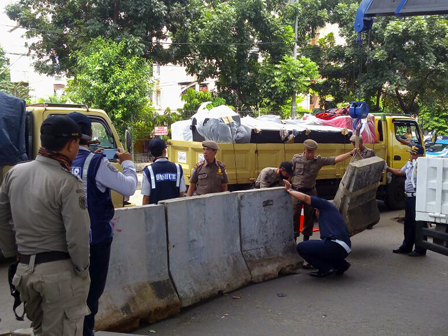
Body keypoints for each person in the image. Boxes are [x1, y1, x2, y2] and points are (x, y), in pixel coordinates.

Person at [0, 115, 91, 336]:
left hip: (25, 273)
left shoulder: (15, 173)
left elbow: (3, 217)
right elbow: (77, 235)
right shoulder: (67, 182)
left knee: (39, 331)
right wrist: (82, 270)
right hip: (58, 276)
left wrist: (15, 253)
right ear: (71, 144)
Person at [67, 112, 138, 336]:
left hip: (64, 241)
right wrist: (127, 163)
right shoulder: (96, 162)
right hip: (95, 241)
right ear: (88, 136)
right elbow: (128, 188)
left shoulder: (59, 162)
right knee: (90, 297)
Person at [291, 139, 356, 241]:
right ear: (305, 150)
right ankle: (293, 240)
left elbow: (335, 159)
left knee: (309, 217)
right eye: (308, 152)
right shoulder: (296, 158)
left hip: (310, 192)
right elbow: (291, 173)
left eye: (312, 152)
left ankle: (306, 240)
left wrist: (350, 153)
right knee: (294, 216)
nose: (310, 155)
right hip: (297, 191)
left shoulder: (319, 161)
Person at [284, 180, 351, 277]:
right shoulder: (332, 214)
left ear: (316, 209)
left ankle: (325, 268)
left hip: (335, 245)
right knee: (321, 248)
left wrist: (289, 190)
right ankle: (341, 264)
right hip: (345, 248)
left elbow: (305, 198)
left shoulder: (324, 206)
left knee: (301, 247)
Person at [386, 144, 427, 257]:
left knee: (418, 223)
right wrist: (387, 168)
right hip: (409, 197)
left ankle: (420, 248)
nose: (411, 155)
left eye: (414, 154)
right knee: (408, 223)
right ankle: (406, 246)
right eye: (411, 153)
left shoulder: (423, 165)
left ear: (420, 155)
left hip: (418, 197)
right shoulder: (409, 163)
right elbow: (400, 172)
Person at [142, 138, 186, 204]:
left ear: (151, 153)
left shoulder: (148, 170)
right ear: (164, 151)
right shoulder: (177, 168)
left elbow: (146, 198)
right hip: (174, 211)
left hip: (155, 212)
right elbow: (181, 194)